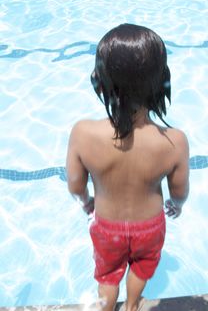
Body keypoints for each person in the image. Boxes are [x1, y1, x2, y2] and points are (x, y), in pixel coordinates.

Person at [66, 23, 189, 311]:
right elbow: (180, 191)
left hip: (107, 227)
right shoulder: (174, 141)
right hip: (150, 226)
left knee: (108, 276)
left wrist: (86, 203)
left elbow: (74, 184)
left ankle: (106, 308)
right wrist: (178, 205)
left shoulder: (83, 133)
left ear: (101, 81)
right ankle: (132, 306)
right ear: (162, 81)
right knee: (142, 267)